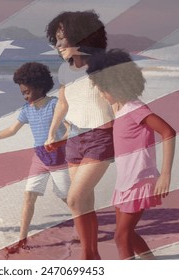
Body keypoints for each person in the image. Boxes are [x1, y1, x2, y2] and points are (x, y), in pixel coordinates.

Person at [87, 49, 176, 259]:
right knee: (128, 234)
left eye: (103, 90)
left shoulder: (136, 108)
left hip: (139, 181)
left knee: (121, 237)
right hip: (125, 183)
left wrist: (165, 175)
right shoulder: (120, 109)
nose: (101, 94)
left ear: (117, 86)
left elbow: (168, 132)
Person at [44, 10, 114, 259]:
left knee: (74, 199)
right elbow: (63, 104)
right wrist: (53, 133)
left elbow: (118, 104)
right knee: (84, 203)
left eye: (62, 37)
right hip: (74, 137)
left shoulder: (102, 66)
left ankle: (88, 257)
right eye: (55, 38)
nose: (57, 44)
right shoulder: (64, 71)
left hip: (101, 137)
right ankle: (91, 255)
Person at [0, 62, 70, 254]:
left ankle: (87, 224)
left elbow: (70, 129)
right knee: (29, 196)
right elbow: (12, 130)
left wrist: (58, 142)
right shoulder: (27, 109)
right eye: (22, 93)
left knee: (69, 198)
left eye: (27, 92)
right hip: (40, 158)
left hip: (59, 159)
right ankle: (22, 240)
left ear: (40, 87)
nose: (25, 96)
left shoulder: (54, 105)